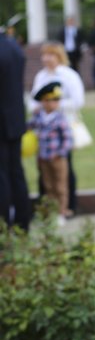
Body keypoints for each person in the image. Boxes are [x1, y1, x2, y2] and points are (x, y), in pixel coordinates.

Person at [29, 41, 86, 215]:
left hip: (62, 127)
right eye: (44, 55)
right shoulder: (41, 76)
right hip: (44, 129)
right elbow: (33, 100)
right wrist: (40, 107)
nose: (47, 58)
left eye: (51, 54)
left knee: (64, 168)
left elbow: (78, 101)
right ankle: (47, 206)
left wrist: (54, 105)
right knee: (44, 171)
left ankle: (68, 206)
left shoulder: (68, 75)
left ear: (59, 56)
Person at [27, 82, 74, 224]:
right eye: (50, 100)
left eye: (56, 100)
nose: (54, 103)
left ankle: (62, 211)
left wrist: (61, 152)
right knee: (48, 185)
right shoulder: (39, 116)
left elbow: (68, 138)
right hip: (43, 157)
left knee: (60, 185)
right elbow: (28, 126)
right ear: (43, 102)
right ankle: (51, 212)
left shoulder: (60, 118)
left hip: (57, 157)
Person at [0, 31, 31, 231]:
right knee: (16, 172)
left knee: (2, 176)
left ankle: (4, 225)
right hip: (15, 119)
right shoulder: (13, 47)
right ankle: (23, 222)